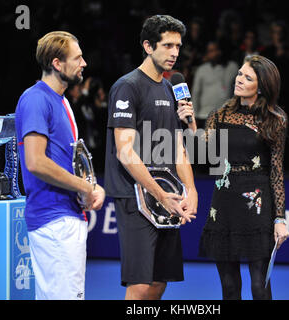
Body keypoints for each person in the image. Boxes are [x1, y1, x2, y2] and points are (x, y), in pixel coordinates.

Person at [104, 15, 198, 300]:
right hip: (135, 197)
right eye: (167, 45)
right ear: (148, 46)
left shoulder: (171, 89)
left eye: (178, 46)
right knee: (141, 283)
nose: (175, 53)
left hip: (166, 195)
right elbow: (124, 151)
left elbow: (177, 147)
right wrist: (158, 193)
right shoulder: (127, 86)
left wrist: (190, 189)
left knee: (159, 281)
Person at [15, 31, 105, 300]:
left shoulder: (62, 101)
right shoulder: (36, 99)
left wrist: (91, 186)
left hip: (67, 215)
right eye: (77, 58)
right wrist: (84, 187)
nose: (84, 63)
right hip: (53, 218)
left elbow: (72, 161)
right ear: (57, 63)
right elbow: (35, 162)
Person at [199, 55, 289, 300]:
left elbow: (277, 170)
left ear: (261, 86)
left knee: (259, 286)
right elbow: (204, 156)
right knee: (229, 287)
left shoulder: (275, 119)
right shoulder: (219, 116)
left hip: (257, 202)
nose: (239, 79)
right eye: (240, 73)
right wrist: (187, 123)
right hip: (224, 202)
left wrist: (280, 217)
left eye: (247, 77)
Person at [192, 41, 239, 129]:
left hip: (226, 116)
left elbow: (238, 92)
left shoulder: (233, 67)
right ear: (207, 54)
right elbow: (196, 93)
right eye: (211, 51)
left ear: (221, 51)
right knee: (207, 142)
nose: (214, 53)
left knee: (224, 142)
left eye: (216, 50)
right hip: (205, 115)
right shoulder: (201, 70)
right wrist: (194, 115)